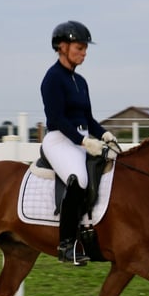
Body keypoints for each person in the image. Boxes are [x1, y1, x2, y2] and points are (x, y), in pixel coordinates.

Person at [40, 20, 119, 266]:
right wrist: (84, 141)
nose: (84, 54)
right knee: (79, 179)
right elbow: (57, 119)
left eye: (85, 49)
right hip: (59, 139)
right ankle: (66, 245)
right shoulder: (52, 78)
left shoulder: (81, 82)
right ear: (62, 47)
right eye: (79, 48)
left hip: (80, 139)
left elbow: (88, 118)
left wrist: (105, 135)